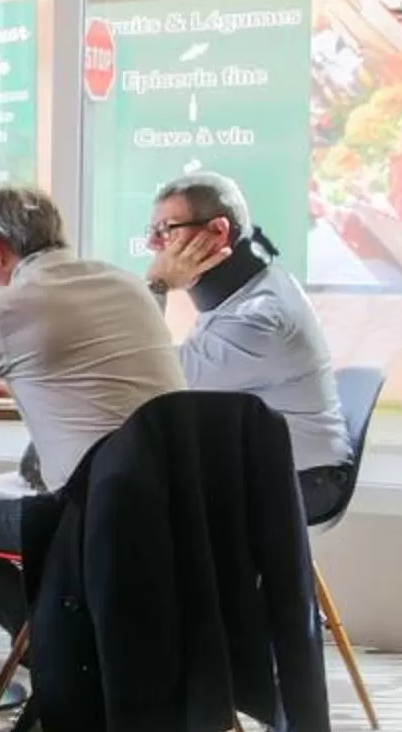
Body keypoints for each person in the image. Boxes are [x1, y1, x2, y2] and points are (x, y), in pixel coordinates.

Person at [0, 186, 183, 732]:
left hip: (92, 510)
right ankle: (83, 662)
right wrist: (20, 376)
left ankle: (68, 666)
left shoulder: (10, 306)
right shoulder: (126, 284)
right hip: (180, 500)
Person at [142, 172, 351, 519]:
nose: (153, 244)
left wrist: (158, 284)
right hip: (270, 466)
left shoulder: (258, 316)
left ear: (218, 232)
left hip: (301, 482)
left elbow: (154, 378)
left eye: (166, 229)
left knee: (135, 505)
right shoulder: (250, 291)